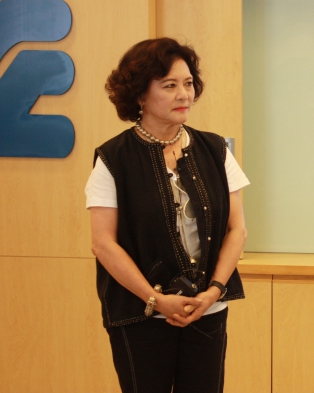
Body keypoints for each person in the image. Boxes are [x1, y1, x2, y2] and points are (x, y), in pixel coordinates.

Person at [85, 37, 249, 393]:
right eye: (169, 85)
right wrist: (155, 299)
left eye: (188, 83)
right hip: (141, 312)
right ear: (140, 96)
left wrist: (214, 291)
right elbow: (103, 244)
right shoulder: (114, 158)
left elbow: (237, 230)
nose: (184, 94)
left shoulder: (215, 149)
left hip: (207, 309)